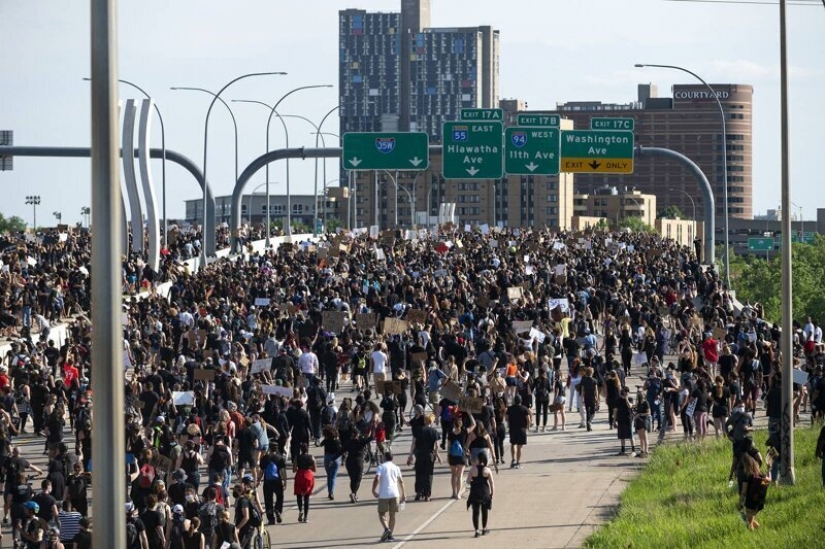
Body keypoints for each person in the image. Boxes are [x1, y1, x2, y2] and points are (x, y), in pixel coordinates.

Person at [371, 451, 406, 544]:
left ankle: (387, 529)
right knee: (392, 514)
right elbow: (401, 481)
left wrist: (373, 490)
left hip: (384, 494)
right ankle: (390, 535)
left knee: (382, 513)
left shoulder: (381, 467)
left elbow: (377, 478)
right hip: (395, 494)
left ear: (385, 458)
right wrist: (404, 494)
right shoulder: (396, 468)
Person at [407, 412, 440, 502]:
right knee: (429, 474)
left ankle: (419, 491)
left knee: (419, 473)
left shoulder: (418, 430)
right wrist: (436, 455)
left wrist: (410, 455)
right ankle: (427, 494)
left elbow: (413, 443)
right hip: (429, 454)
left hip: (420, 454)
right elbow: (436, 445)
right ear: (431, 422)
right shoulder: (434, 432)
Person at [465, 451, 495, 538]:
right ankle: (484, 528)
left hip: (475, 491)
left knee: (475, 511)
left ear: (478, 459)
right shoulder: (487, 470)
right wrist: (492, 492)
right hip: (484, 491)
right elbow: (491, 482)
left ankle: (476, 530)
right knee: (484, 511)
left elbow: (467, 481)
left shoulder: (472, 469)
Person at [738, 452, 770, 530]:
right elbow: (768, 481)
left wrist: (740, 503)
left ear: (745, 465)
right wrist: (769, 468)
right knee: (751, 519)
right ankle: (760, 531)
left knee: (749, 523)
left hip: (750, 503)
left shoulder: (747, 476)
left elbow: (743, 492)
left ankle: (752, 535)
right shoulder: (760, 474)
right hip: (759, 502)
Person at [258, 442, 287, 524]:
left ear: (269, 448)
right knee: (280, 496)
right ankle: (278, 510)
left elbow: (261, 471)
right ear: (277, 448)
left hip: (267, 482)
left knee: (268, 500)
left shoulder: (264, 458)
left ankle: (271, 518)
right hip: (277, 481)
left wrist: (259, 480)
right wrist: (285, 481)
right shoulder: (280, 458)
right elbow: (283, 471)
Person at [506, 395, 531, 469]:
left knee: (513, 443)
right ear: (521, 401)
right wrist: (528, 427)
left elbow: (506, 418)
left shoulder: (510, 409)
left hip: (513, 428)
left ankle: (513, 459)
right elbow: (528, 419)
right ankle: (518, 462)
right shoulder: (524, 409)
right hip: (522, 429)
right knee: (519, 447)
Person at [293, 443, 316, 523]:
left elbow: (294, 470)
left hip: (299, 475)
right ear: (307, 449)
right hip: (308, 476)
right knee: (306, 497)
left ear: (301, 449)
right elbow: (314, 469)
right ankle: (306, 517)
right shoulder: (311, 457)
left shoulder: (297, 457)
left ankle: (300, 510)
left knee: (299, 495)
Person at [321, 425, 343, 501]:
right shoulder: (337, 442)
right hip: (335, 459)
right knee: (333, 476)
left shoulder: (325, 441)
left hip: (327, 458)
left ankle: (329, 491)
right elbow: (340, 451)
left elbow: (321, 444)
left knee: (329, 475)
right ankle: (331, 491)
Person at [615, 389, 636, 456]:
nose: (624, 394)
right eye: (623, 392)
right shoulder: (618, 400)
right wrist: (614, 420)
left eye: (626, 392)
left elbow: (630, 406)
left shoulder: (630, 399)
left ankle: (633, 450)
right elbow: (615, 410)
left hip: (628, 419)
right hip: (620, 419)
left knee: (630, 436)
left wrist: (626, 398)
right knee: (622, 436)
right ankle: (623, 450)